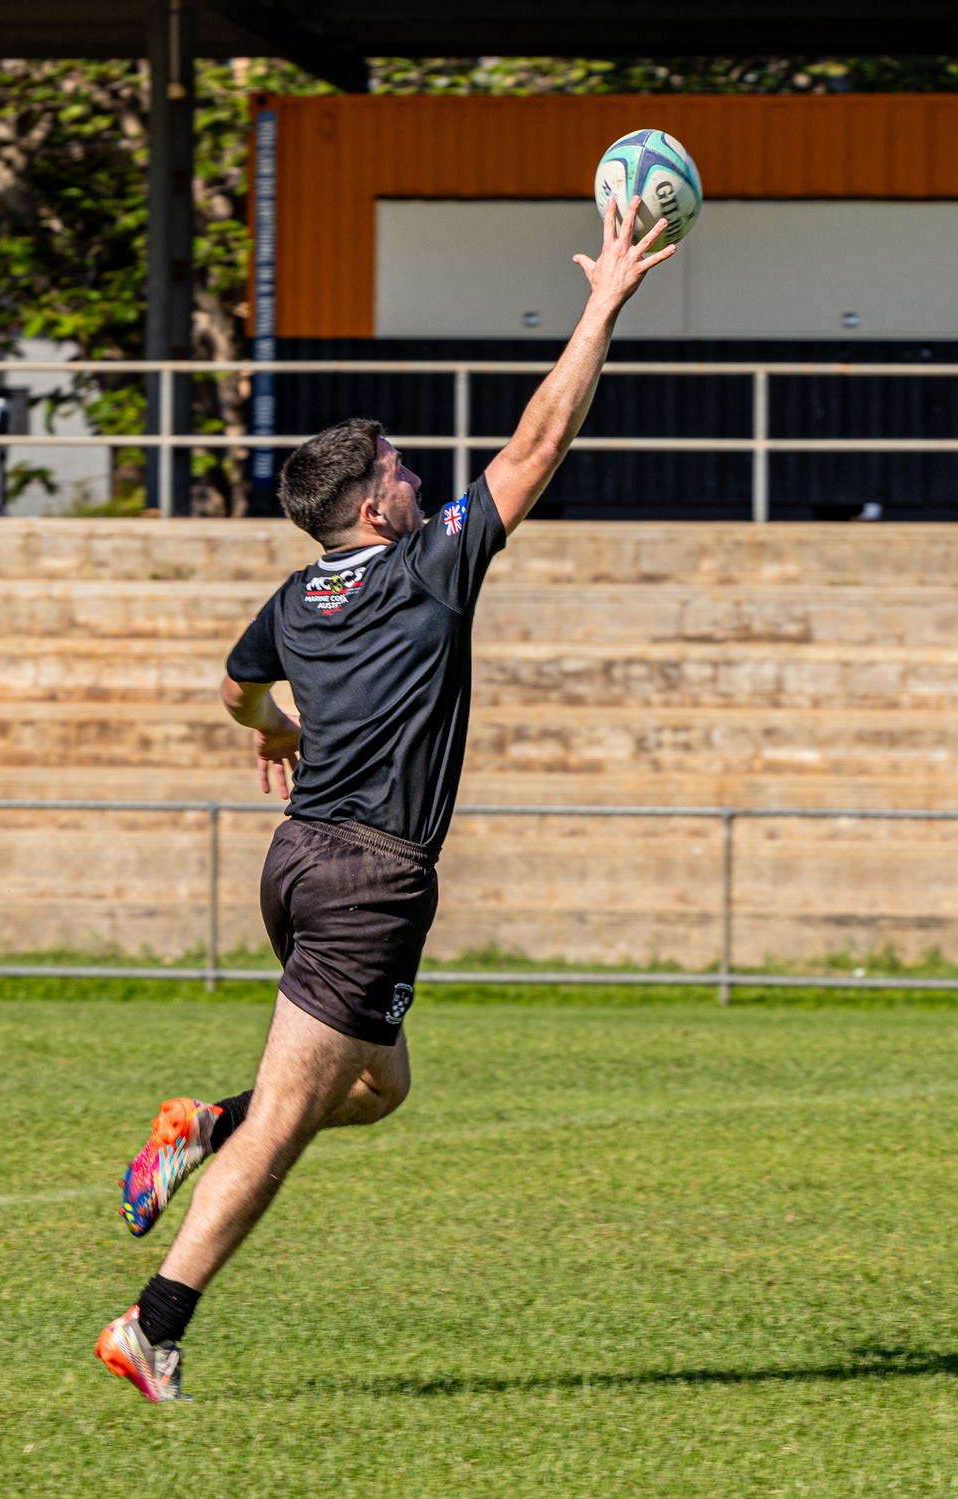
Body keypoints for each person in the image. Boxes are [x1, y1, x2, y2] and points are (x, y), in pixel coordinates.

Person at [95, 195, 676, 1402]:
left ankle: (200, 1121)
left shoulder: (299, 595)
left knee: (377, 1085)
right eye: (406, 472)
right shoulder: (424, 568)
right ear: (375, 505)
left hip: (298, 863)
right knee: (293, 1124)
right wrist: (604, 301)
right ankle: (150, 1325)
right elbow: (535, 445)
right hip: (366, 878)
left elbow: (233, 688)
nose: (420, 481)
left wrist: (274, 729)